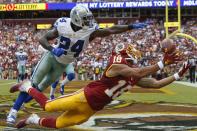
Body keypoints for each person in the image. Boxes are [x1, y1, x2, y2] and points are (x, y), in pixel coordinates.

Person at [6, 5, 148, 124]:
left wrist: (130, 26)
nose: (89, 21)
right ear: (76, 18)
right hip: (51, 57)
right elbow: (43, 38)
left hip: (64, 64)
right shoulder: (63, 24)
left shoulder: (89, 30)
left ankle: (22, 97)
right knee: (34, 83)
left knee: (40, 88)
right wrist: (52, 49)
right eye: (85, 19)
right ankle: (13, 111)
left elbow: (111, 30)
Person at [10, 43, 190, 129]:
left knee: (59, 124)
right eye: (130, 51)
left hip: (93, 108)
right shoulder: (117, 64)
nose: (134, 54)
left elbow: (155, 83)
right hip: (84, 97)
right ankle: (27, 86)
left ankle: (32, 120)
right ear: (121, 53)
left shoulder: (129, 70)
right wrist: (161, 64)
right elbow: (136, 73)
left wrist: (177, 75)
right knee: (48, 106)